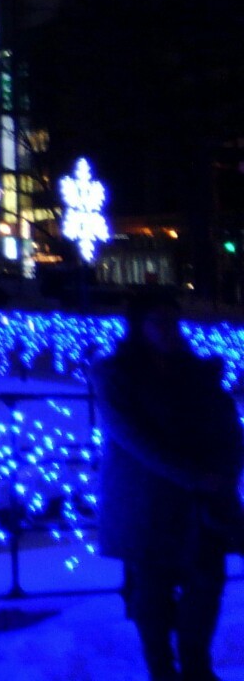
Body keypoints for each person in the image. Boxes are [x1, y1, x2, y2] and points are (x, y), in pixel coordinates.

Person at [94, 290, 244, 680]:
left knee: (206, 586)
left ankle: (197, 666)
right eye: (157, 321)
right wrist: (195, 475)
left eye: (172, 321)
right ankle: (162, 668)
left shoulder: (198, 374)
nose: (168, 330)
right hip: (147, 502)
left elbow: (228, 428)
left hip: (202, 504)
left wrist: (225, 472)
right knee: (154, 590)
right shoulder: (116, 375)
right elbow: (134, 438)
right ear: (138, 327)